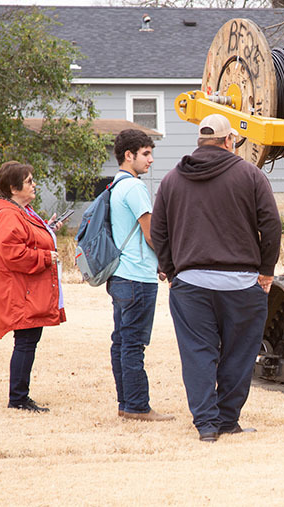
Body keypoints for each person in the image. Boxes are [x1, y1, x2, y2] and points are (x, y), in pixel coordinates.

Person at [151, 113, 281, 443]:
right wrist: (266, 271)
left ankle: (207, 426)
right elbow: (271, 225)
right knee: (239, 354)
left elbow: (159, 230)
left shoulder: (171, 180)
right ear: (229, 141)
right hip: (241, 283)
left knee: (197, 353)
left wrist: (170, 268)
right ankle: (228, 420)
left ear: (200, 142)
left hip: (191, 284)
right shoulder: (250, 175)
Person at [0, 161, 66, 413]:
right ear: (13, 187)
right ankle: (18, 398)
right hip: (20, 290)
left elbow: (26, 238)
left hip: (27, 288)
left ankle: (20, 395)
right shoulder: (9, 214)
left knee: (29, 339)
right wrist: (44, 257)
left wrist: (48, 230)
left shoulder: (22, 211)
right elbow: (12, 253)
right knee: (26, 340)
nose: (34, 185)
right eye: (29, 181)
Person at [107, 129, 174, 422]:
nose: (151, 160)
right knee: (133, 344)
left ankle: (125, 402)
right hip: (138, 278)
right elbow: (151, 235)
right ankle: (137, 406)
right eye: (146, 154)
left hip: (120, 276)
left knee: (121, 341)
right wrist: (167, 264)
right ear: (129, 156)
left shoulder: (115, 186)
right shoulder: (135, 188)